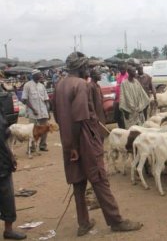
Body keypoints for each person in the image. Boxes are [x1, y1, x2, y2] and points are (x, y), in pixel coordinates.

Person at [53, 52, 143, 237]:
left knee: (78, 182)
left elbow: (57, 117)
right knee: (99, 179)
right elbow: (80, 118)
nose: (90, 69)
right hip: (84, 141)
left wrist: (70, 145)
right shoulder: (81, 86)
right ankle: (116, 221)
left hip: (68, 141)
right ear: (80, 67)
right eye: (87, 66)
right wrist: (77, 148)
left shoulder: (60, 85)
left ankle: (83, 223)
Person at [0, 106, 26, 240]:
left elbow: (4, 137)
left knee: (8, 198)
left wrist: (10, 156)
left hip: (3, 162)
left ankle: (8, 230)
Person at [21, 69, 50, 152]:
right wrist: (33, 109)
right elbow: (24, 99)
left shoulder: (42, 85)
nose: (41, 76)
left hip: (43, 111)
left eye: (41, 74)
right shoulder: (27, 85)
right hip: (33, 112)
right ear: (34, 76)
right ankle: (32, 148)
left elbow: (46, 99)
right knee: (33, 130)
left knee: (45, 129)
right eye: (39, 74)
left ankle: (43, 146)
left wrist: (47, 111)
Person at [87, 69, 107, 140]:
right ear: (93, 76)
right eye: (98, 74)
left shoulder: (97, 85)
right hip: (95, 115)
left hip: (100, 113)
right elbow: (90, 102)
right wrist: (93, 115)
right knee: (96, 134)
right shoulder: (90, 86)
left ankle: (100, 149)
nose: (100, 75)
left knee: (102, 133)